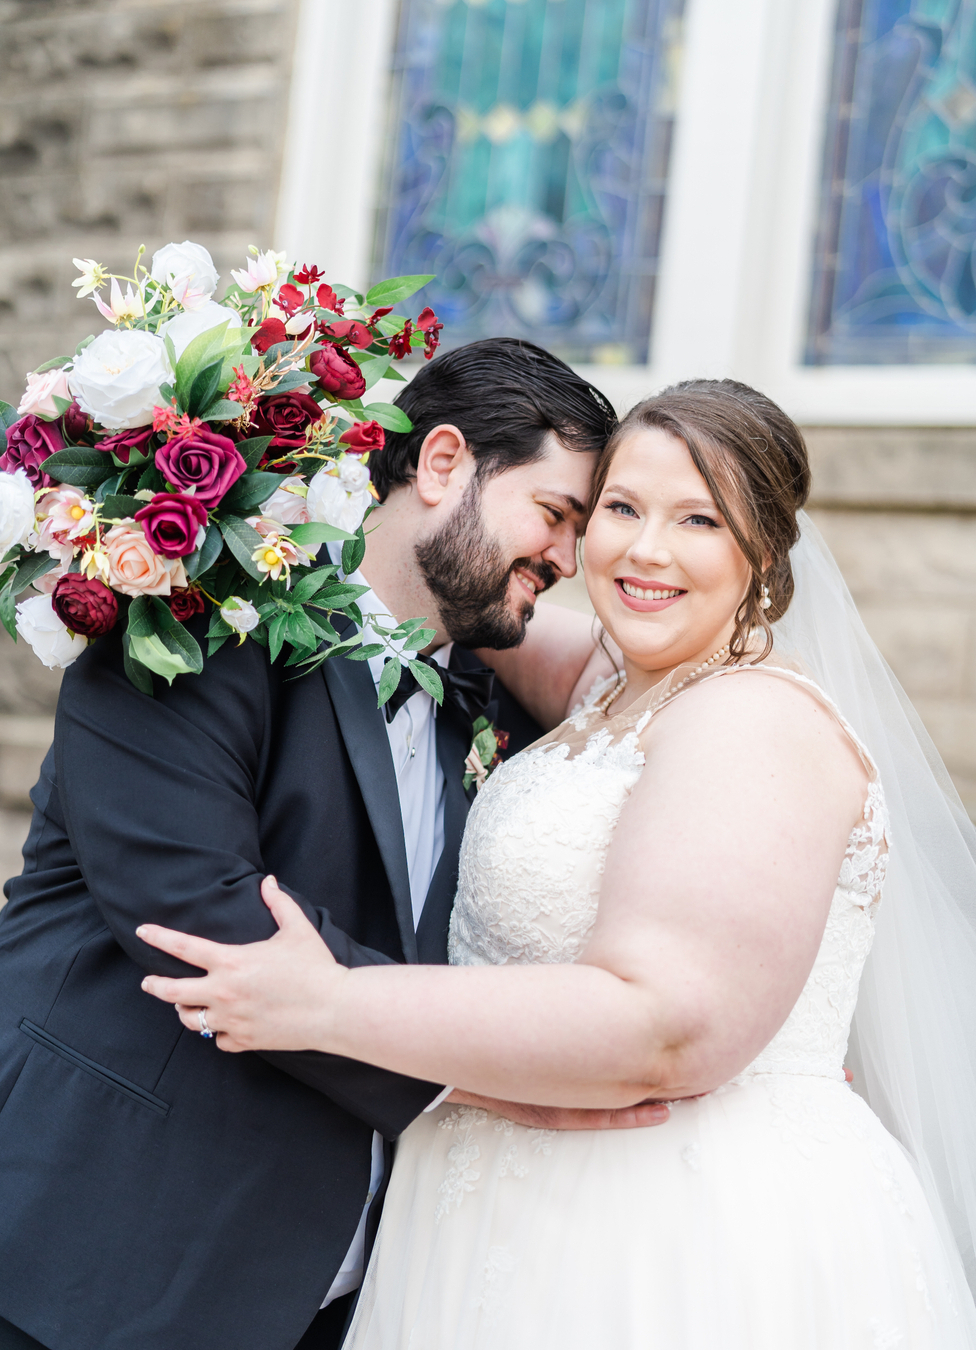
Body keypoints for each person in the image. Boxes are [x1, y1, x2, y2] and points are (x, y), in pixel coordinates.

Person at [141, 379, 976, 1348]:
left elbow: (664, 1025)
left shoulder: (752, 720)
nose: (646, 549)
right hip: (486, 1221)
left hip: (668, 1231)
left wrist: (330, 1005)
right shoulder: (619, 686)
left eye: (699, 518)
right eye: (620, 508)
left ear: (765, 550)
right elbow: (451, 589)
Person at [0, 338, 669, 1350]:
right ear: (442, 465)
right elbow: (200, 919)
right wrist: (508, 1081)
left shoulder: (492, 710)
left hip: (306, 1288)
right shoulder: (192, 621)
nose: (568, 560)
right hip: (72, 1233)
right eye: (556, 515)